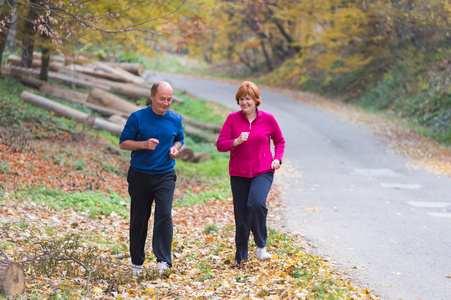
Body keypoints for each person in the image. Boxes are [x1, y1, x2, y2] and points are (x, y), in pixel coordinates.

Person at [217, 81, 285, 266]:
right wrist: (236, 141)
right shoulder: (232, 119)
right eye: (241, 99)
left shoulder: (268, 119)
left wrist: (277, 159)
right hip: (238, 173)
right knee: (241, 214)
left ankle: (261, 246)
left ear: (256, 100)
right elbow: (220, 145)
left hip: (263, 170)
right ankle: (241, 256)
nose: (244, 103)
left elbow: (280, 141)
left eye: (248, 99)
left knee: (256, 203)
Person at [119, 81, 184, 275]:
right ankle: (137, 263)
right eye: (162, 99)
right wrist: (144, 144)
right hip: (140, 175)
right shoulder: (137, 117)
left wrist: (175, 149)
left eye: (169, 100)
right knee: (139, 218)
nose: (165, 103)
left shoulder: (175, 119)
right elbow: (123, 143)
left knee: (164, 214)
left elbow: (179, 139)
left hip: (165, 174)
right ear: (152, 96)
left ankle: (163, 260)